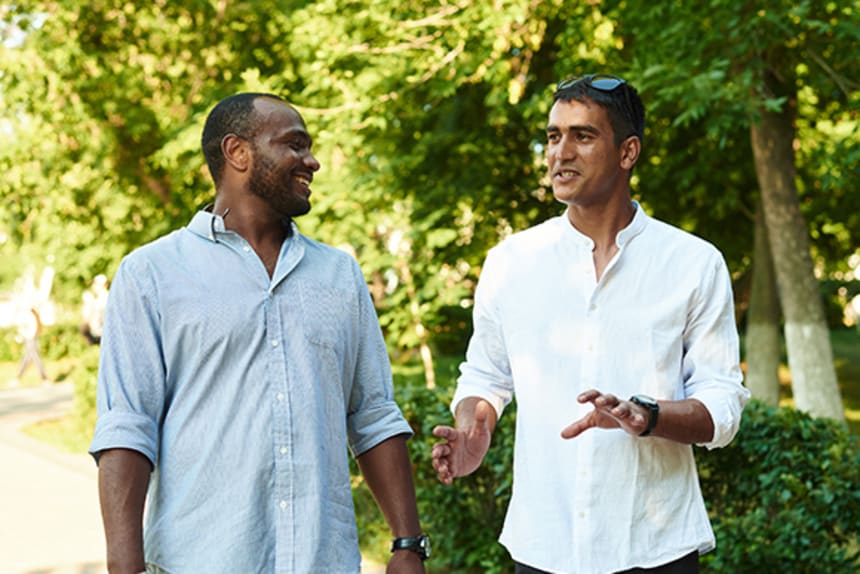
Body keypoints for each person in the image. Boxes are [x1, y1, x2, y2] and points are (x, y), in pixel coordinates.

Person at [89, 93, 428, 574]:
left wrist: (408, 545)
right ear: (238, 152)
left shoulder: (339, 275)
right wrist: (124, 566)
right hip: (199, 563)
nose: (311, 161)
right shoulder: (151, 274)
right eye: (294, 144)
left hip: (323, 562)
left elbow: (373, 415)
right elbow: (128, 425)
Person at [431, 74, 750, 574]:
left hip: (654, 548)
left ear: (628, 152)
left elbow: (722, 405)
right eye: (553, 136)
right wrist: (476, 424)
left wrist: (648, 415)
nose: (560, 153)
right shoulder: (511, 262)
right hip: (542, 545)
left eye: (582, 136)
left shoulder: (693, 263)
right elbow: (485, 377)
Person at [14, 306, 48, 384]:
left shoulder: (30, 315)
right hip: (30, 338)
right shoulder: (31, 315)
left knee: (35, 358)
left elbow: (27, 328)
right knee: (27, 358)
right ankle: (18, 377)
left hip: (31, 338)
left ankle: (44, 378)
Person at [80, 273, 109, 344]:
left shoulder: (105, 298)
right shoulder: (98, 299)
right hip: (98, 334)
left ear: (104, 285)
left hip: (101, 335)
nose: (93, 286)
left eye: (96, 284)